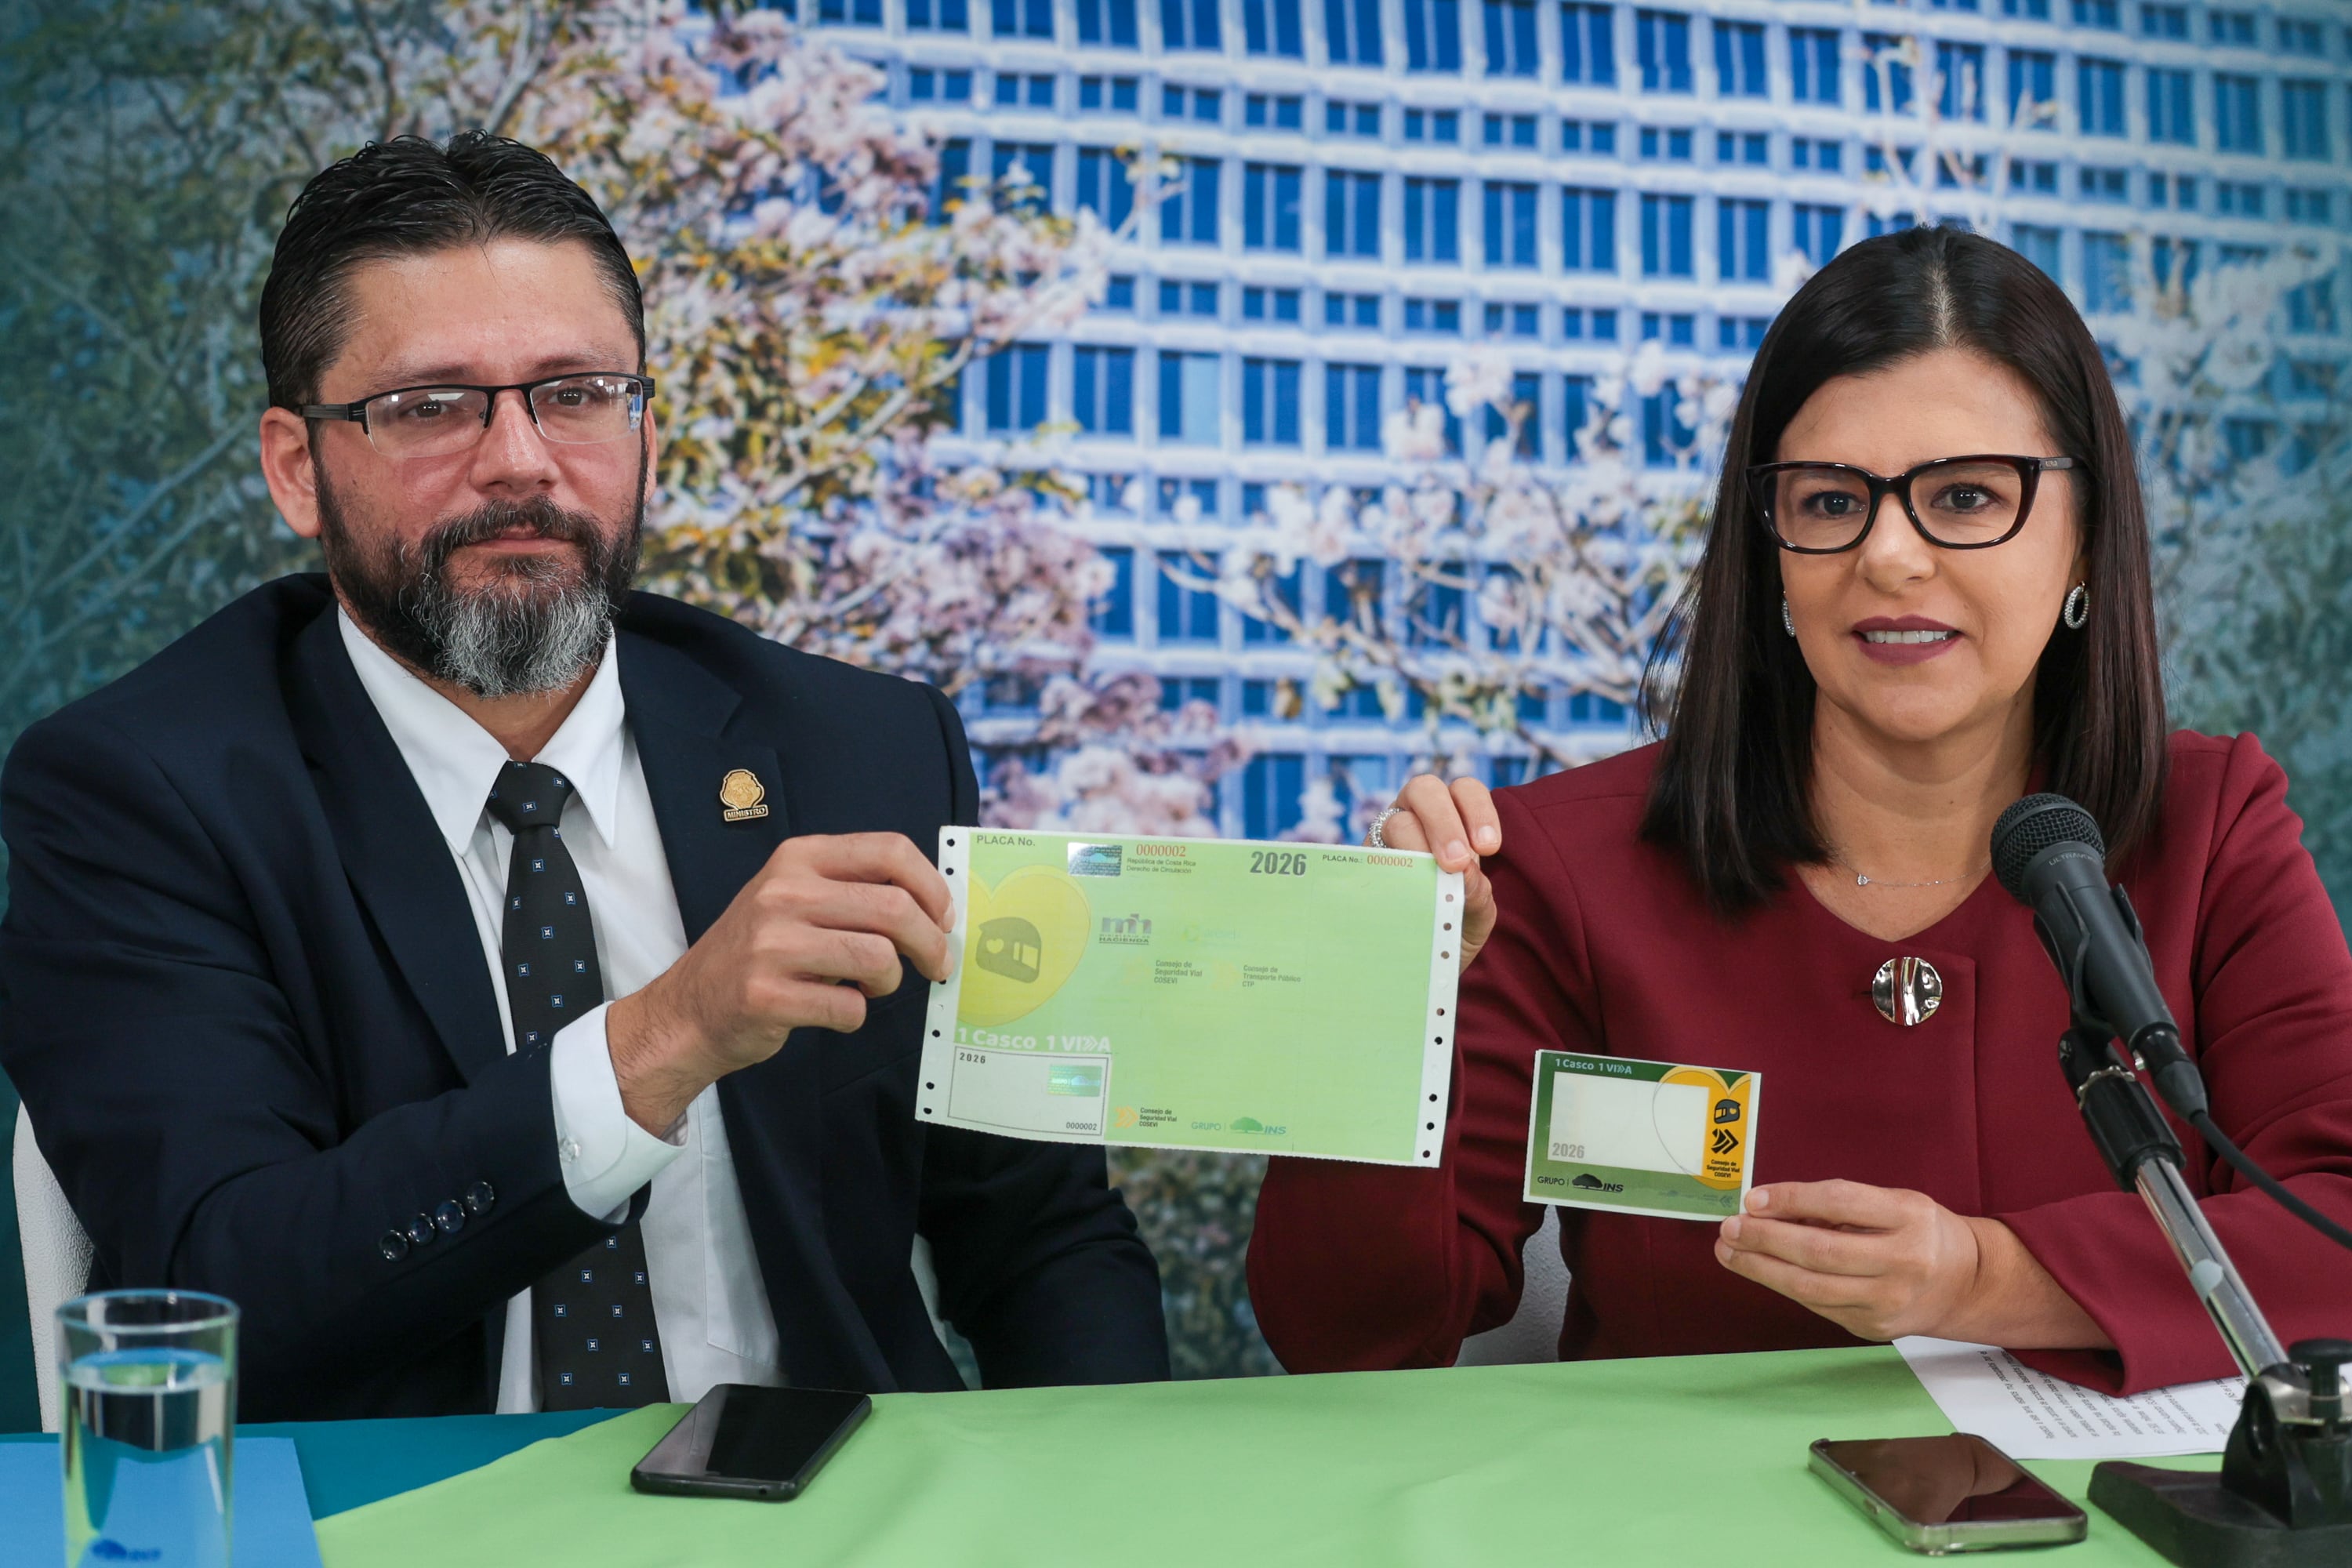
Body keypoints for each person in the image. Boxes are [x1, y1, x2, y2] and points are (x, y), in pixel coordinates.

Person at [0, 132, 1167, 1421]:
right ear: (298, 469)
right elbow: (224, 1299)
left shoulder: (867, 750)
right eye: (429, 405)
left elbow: (1043, 1240)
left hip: (840, 1509)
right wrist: (662, 1040)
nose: (519, 460)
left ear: (642, 427)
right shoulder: (142, 792)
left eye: (575, 392)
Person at [1247, 226, 2352, 1395]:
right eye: (1828, 502)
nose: (1886, 556)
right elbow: (1347, 1337)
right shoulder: (1563, 869)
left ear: (2084, 537)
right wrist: (1382, 1008)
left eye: (1966, 496)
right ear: (1770, 548)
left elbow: (2334, 1232)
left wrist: (1985, 1277)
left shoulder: (2211, 824)